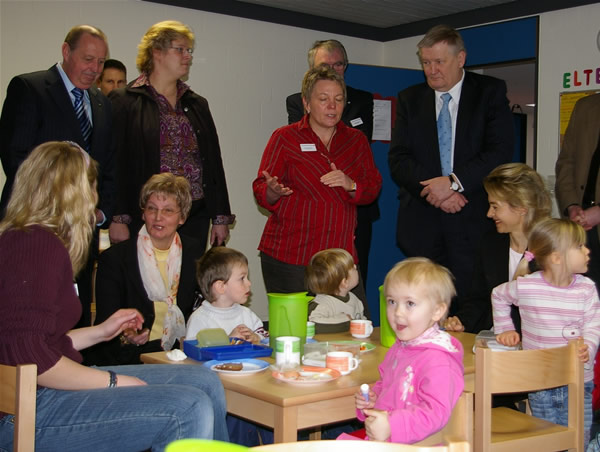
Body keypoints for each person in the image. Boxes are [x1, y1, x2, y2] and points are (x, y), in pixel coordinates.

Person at [0, 141, 228, 451]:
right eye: (92, 187)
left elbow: (34, 342)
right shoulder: (39, 245)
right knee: (188, 405)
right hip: (28, 409)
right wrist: (113, 382)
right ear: (74, 192)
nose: (96, 199)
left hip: (38, 391)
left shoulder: (23, 238)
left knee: (204, 381)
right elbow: (33, 357)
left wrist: (100, 331)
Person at [388, 24, 514, 314]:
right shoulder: (410, 99)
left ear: (460, 59)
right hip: (422, 224)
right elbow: (399, 159)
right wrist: (437, 191)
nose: (431, 70)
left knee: (471, 308)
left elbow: (499, 151)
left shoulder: (489, 92)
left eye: (439, 62)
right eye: (426, 63)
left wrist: (454, 182)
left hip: (473, 221)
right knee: (422, 307)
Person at [0, 24, 116, 327]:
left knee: (74, 318)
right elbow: (16, 160)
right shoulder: (30, 88)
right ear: (66, 51)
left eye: (101, 62)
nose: (95, 69)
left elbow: (108, 165)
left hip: (82, 234)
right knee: (29, 324)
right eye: (88, 59)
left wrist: (101, 212)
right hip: (36, 229)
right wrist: (60, 206)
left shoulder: (102, 103)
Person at [253, 65, 382, 306]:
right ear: (307, 103)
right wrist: (271, 191)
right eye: (323, 99)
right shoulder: (285, 137)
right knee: (297, 327)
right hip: (291, 258)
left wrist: (351, 184)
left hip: (339, 260)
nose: (332, 106)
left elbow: (372, 188)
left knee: (355, 324)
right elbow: (261, 189)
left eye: (338, 99)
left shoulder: (356, 141)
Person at [108, 20, 234, 251]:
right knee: (147, 273)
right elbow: (116, 164)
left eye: (189, 51)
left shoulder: (196, 104)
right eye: (180, 49)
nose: (188, 57)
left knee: (188, 274)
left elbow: (213, 163)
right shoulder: (125, 101)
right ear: (157, 52)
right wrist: (118, 217)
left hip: (193, 215)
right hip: (146, 215)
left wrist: (220, 217)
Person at [492, 217, 600, 448]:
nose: (587, 251)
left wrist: (588, 348)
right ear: (557, 257)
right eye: (580, 246)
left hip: (578, 380)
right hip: (541, 380)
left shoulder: (586, 289)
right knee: (545, 439)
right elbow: (498, 296)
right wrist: (505, 329)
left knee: (578, 438)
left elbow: (593, 325)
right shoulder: (527, 286)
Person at [338, 257, 464, 443]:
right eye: (392, 302)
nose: (397, 312)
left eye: (410, 303)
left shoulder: (439, 361)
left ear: (437, 311)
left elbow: (436, 414)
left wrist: (391, 425)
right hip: (389, 442)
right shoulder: (401, 347)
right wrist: (373, 399)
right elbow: (387, 386)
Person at [286, 39, 379, 286]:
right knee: (315, 279)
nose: (333, 70)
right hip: (314, 207)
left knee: (353, 278)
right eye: (325, 66)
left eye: (338, 64)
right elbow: (307, 149)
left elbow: (359, 144)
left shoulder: (362, 99)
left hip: (356, 207)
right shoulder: (296, 101)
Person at [91, 173, 204, 365]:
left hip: (180, 353)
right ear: (143, 213)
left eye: (168, 211)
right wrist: (127, 335)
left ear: (182, 217)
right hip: (129, 357)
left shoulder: (195, 253)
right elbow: (106, 320)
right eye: (152, 209)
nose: (158, 217)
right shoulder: (115, 259)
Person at [444, 163, 552, 333]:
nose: (489, 214)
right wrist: (462, 321)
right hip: (495, 339)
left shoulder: (553, 247)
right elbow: (479, 298)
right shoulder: (490, 243)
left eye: (495, 207)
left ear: (521, 207)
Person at [555, 93, 600, 288]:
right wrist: (571, 205)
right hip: (581, 227)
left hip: (593, 217)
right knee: (581, 293)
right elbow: (566, 162)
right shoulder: (585, 106)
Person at [186, 247, 267, 344]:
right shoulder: (200, 319)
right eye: (242, 278)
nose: (249, 283)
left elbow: (266, 338)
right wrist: (228, 340)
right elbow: (194, 349)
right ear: (221, 286)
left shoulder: (247, 314)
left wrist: (256, 337)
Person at [306, 248, 367, 333]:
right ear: (345, 282)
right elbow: (311, 324)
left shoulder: (354, 299)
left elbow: (361, 320)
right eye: (352, 268)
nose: (355, 267)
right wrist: (346, 322)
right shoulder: (322, 303)